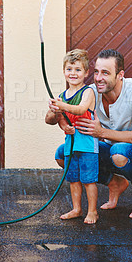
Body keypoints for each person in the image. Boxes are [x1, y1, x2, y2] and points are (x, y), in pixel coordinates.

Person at [46, 49, 132, 219]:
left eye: (105, 73)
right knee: (63, 154)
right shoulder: (91, 92)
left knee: (119, 153)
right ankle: (114, 182)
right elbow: (57, 118)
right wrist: (55, 111)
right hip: (111, 149)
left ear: (120, 74)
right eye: (96, 72)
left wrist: (101, 132)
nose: (98, 78)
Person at [47, 49, 99, 224]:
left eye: (78, 70)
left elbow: (81, 110)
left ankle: (92, 211)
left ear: (86, 72)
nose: (73, 73)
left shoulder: (88, 92)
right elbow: (58, 119)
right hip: (71, 145)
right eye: (69, 69)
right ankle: (77, 209)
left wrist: (61, 105)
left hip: (87, 144)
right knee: (73, 179)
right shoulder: (62, 96)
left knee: (88, 180)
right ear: (64, 72)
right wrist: (64, 124)